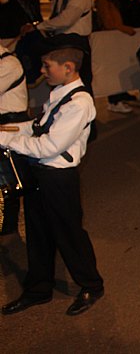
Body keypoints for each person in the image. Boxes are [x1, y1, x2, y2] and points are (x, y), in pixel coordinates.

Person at [0, 46, 104, 316]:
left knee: (69, 234)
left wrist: (4, 139)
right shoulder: (61, 94)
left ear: (68, 68)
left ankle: (91, 285)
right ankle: (38, 289)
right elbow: (39, 126)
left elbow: (49, 146)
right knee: (38, 234)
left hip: (59, 178)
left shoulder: (80, 103)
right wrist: (8, 129)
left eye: (48, 66)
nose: (42, 71)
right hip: (41, 174)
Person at [0, 44, 30, 235]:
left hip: (11, 131)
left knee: (11, 184)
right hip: (4, 130)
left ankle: (12, 228)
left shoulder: (9, 64)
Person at [95, 0, 136, 114]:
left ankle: (117, 98)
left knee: (117, 69)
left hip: (116, 39)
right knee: (112, 71)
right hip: (109, 39)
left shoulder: (113, 2)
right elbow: (109, 23)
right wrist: (126, 29)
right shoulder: (103, 2)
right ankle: (114, 101)